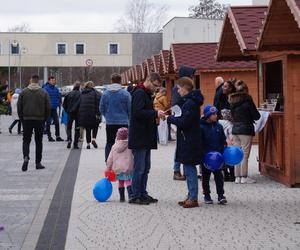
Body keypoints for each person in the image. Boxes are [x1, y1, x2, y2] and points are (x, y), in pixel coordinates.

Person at [128, 72, 165, 205]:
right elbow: (137, 112)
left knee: (146, 167)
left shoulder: (146, 93)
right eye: (155, 85)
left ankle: (143, 193)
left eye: (157, 87)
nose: (155, 89)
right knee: (139, 167)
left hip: (146, 136)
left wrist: (155, 114)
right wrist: (155, 113)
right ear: (148, 80)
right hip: (140, 136)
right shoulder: (139, 92)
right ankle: (135, 195)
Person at [168, 77, 203, 208]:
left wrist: (171, 118)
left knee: (189, 169)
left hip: (189, 140)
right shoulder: (189, 102)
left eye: (178, 88)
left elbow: (184, 122)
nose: (177, 90)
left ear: (184, 88)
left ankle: (193, 197)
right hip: (187, 139)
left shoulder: (190, 104)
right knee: (188, 169)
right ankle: (190, 195)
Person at [229, 80, 261, 184]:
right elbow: (257, 116)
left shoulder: (232, 101)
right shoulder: (248, 100)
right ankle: (244, 177)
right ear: (245, 90)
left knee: (237, 154)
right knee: (244, 154)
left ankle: (237, 177)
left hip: (235, 129)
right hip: (246, 129)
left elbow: (232, 116)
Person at [17, 75, 51, 171]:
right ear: (38, 82)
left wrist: (22, 119)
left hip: (27, 119)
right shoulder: (43, 92)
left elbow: (19, 107)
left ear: (31, 81)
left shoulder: (23, 92)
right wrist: (45, 118)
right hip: (40, 120)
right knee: (38, 141)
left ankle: (26, 157)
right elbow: (48, 107)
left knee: (26, 140)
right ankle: (38, 162)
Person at [171, 66, 196, 181]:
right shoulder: (178, 88)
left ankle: (182, 170)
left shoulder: (182, 86)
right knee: (180, 145)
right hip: (180, 118)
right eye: (191, 75)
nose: (192, 77)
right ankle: (176, 170)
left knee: (182, 145)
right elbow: (176, 104)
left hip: (182, 117)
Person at [100, 73, 131, 161]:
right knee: (124, 143)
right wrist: (129, 118)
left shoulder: (105, 94)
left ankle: (108, 161)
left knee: (109, 142)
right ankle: (123, 160)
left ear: (111, 81)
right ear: (120, 81)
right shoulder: (126, 94)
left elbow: (101, 108)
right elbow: (130, 108)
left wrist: (107, 116)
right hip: (123, 122)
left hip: (110, 122)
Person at [200, 105, 227, 205]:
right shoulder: (201, 127)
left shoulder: (219, 126)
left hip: (218, 157)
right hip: (206, 157)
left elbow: (222, 139)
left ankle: (221, 195)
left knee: (219, 176)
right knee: (206, 177)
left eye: (216, 113)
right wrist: (203, 155)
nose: (216, 115)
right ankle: (207, 195)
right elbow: (199, 143)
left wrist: (224, 148)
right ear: (208, 115)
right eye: (213, 114)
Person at [106, 127, 133, 202]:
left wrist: (108, 169)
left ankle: (122, 197)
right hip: (127, 168)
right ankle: (130, 196)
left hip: (118, 169)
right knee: (128, 181)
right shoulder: (130, 145)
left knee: (120, 182)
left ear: (117, 136)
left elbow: (110, 159)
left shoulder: (114, 146)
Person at [78, 81, 101, 149]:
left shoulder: (82, 93)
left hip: (84, 114)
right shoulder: (96, 93)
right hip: (93, 113)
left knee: (88, 129)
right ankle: (93, 139)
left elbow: (80, 104)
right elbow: (98, 103)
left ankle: (88, 144)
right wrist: (98, 113)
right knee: (95, 126)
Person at [43, 76, 64, 142]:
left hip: (54, 108)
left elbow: (58, 96)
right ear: (49, 81)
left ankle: (57, 136)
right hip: (48, 109)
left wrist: (59, 103)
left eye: (54, 80)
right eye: (52, 80)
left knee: (57, 122)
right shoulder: (45, 89)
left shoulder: (56, 89)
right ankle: (49, 136)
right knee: (48, 123)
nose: (53, 82)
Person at [63, 81, 81, 149]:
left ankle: (69, 139)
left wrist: (67, 110)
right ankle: (75, 144)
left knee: (69, 127)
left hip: (70, 113)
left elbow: (64, 104)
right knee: (77, 129)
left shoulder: (69, 94)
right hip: (78, 114)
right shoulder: (80, 94)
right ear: (79, 87)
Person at [218, 109, 235, 182]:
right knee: (230, 159)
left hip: (220, 143)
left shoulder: (218, 122)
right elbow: (231, 136)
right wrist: (232, 142)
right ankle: (232, 175)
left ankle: (225, 175)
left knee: (223, 159)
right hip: (228, 144)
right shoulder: (230, 124)